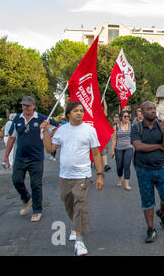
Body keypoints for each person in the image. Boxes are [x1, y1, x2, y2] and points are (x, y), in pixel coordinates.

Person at [40, 101, 104, 256]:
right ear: (68, 114)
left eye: (81, 110)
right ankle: (75, 227)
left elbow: (96, 153)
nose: (80, 113)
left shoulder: (89, 130)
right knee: (69, 205)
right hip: (64, 176)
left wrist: (100, 175)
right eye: (76, 111)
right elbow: (50, 149)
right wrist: (45, 132)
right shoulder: (62, 130)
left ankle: (79, 242)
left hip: (82, 175)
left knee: (80, 206)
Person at [2, 96, 60, 222]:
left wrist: (48, 135)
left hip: (36, 158)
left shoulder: (42, 118)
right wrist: (6, 156)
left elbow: (58, 126)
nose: (26, 108)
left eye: (28, 105)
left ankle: (37, 210)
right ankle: (26, 199)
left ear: (34, 106)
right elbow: (11, 137)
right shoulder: (18, 118)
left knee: (36, 185)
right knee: (16, 180)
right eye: (24, 105)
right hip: (20, 157)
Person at [130, 101, 164, 243]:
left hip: (161, 168)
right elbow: (139, 146)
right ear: (142, 112)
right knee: (147, 200)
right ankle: (150, 228)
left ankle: (161, 212)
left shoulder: (161, 126)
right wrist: (157, 146)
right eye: (149, 109)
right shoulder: (136, 128)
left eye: (154, 108)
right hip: (144, 170)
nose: (153, 111)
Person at [110, 111, 133, 190]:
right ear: (121, 118)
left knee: (127, 165)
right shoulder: (116, 126)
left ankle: (126, 184)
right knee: (119, 166)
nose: (127, 118)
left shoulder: (131, 125)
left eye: (128, 116)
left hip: (129, 148)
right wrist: (112, 151)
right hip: (118, 149)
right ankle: (120, 178)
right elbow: (114, 139)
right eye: (125, 116)